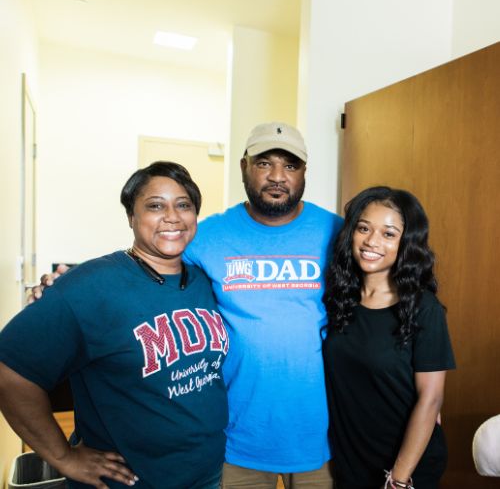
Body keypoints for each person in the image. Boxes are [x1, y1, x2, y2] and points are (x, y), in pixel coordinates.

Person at [30, 122, 344, 488]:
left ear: (304, 171)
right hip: (234, 437)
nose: (277, 176)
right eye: (264, 163)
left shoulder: (336, 232)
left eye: (290, 165)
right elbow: (149, 261)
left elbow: (377, 299)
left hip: (317, 435)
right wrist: (70, 280)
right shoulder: (206, 234)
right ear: (244, 166)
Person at [0, 162, 229, 489]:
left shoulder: (206, 280)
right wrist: (63, 457)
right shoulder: (89, 286)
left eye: (183, 205)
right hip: (131, 481)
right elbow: (10, 373)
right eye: (155, 206)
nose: (172, 216)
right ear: (131, 217)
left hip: (208, 475)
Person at [322, 186, 456, 489]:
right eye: (364, 228)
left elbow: (431, 398)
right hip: (350, 460)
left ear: (406, 243)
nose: (371, 241)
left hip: (404, 467)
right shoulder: (337, 299)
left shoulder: (423, 308)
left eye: (389, 234)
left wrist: (398, 479)